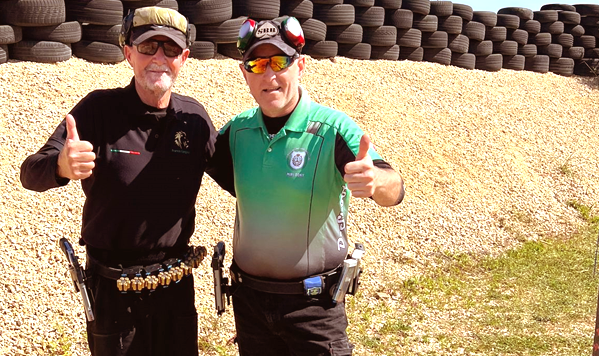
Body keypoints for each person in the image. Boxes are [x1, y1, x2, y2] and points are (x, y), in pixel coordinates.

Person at [20, 6, 216, 356]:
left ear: (184, 58)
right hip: (113, 294)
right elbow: (30, 171)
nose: (159, 58)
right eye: (147, 47)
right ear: (128, 53)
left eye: (170, 49)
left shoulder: (194, 118)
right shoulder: (98, 110)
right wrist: (61, 165)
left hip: (175, 289)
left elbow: (238, 174)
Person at [205, 16, 405, 356]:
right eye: (257, 63)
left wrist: (374, 181)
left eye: (280, 62)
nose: (269, 76)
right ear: (244, 73)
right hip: (249, 304)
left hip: (314, 309)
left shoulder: (331, 128)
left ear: (301, 67)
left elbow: (394, 189)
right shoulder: (235, 132)